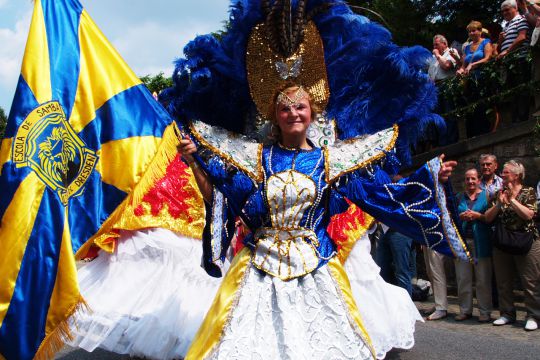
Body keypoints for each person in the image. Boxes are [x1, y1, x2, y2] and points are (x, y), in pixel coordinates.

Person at [68, 2, 469, 359]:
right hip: (258, 272)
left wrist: (429, 178)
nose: (294, 113)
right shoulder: (256, 159)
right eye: (286, 108)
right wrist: (197, 161)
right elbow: (233, 189)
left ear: (311, 113)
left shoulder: (332, 161)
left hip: (318, 271)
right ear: (275, 115)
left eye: (300, 107)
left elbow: (376, 193)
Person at [485, 160, 540, 331]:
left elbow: (529, 215)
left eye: (506, 172)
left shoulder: (528, 191)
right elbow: (487, 217)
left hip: (526, 241)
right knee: (503, 280)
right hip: (503, 241)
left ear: (516, 175)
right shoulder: (497, 193)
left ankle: (533, 315)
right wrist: (500, 203)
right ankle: (507, 313)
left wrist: (512, 201)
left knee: (530, 281)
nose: (502, 174)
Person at [455, 168, 493, 322]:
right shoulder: (459, 197)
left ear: (479, 180)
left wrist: (478, 216)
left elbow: (491, 217)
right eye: (467, 179)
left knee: (483, 279)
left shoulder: (487, 196)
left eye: (473, 179)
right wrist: (460, 216)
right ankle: (465, 310)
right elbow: (452, 218)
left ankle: (484, 311)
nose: (470, 182)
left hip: (481, 241)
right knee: (463, 278)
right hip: (463, 242)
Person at [376, 229, 416, 296]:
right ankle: (387, 303)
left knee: (402, 273)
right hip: (383, 231)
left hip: (400, 230)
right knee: (382, 272)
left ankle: (405, 305)